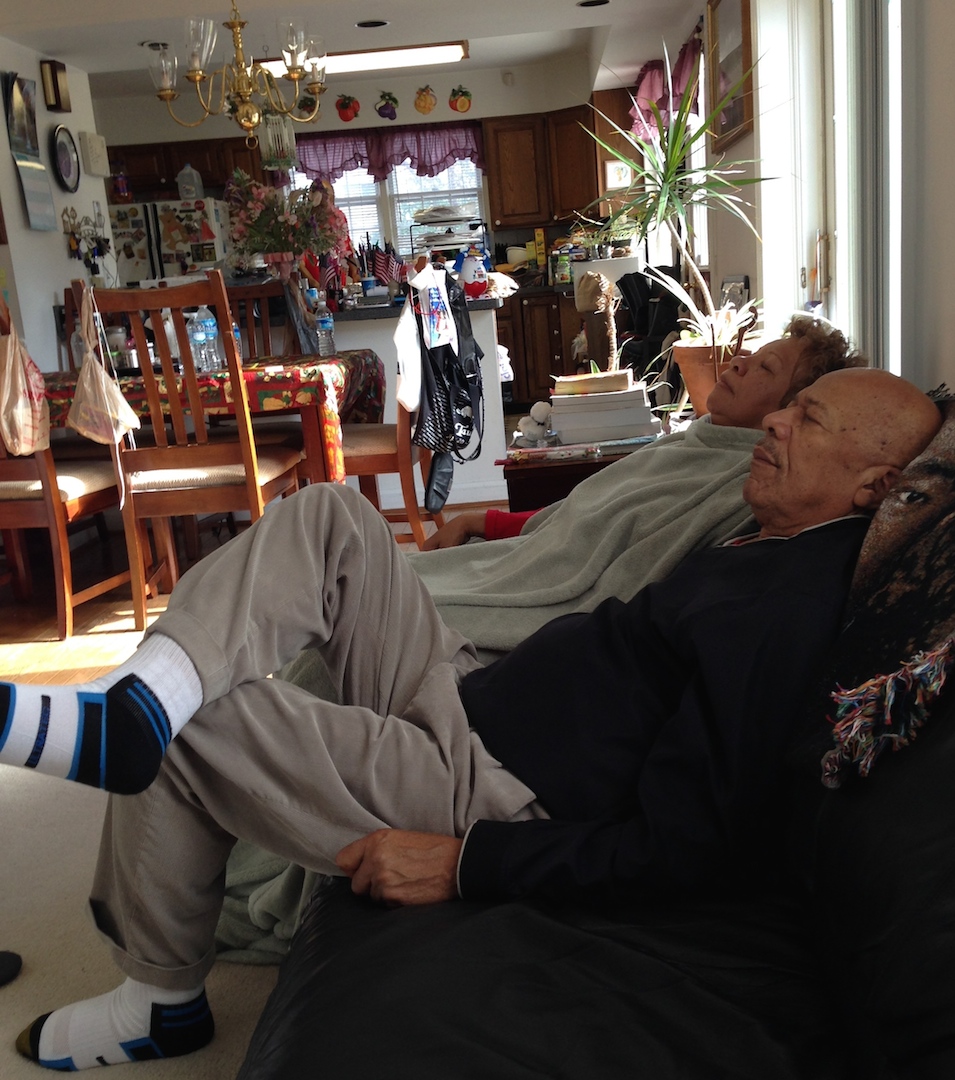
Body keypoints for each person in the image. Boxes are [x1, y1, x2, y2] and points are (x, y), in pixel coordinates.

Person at [3, 369, 940, 1071]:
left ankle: (158, 997)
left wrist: (464, 863)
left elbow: (683, 844)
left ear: (872, 485)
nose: (772, 421)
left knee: (205, 719)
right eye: (790, 404)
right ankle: (142, 695)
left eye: (806, 417)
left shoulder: (787, 612)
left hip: (490, 785)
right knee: (332, 517)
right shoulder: (768, 539)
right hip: (470, 703)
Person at [405, 314, 865, 655]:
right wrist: (484, 521)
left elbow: (608, 564)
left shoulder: (742, 487)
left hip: (532, 605)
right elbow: (585, 520)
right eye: (750, 356)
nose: (739, 364)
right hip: (515, 562)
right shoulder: (693, 441)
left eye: (766, 368)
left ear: (790, 411)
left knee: (377, 587)